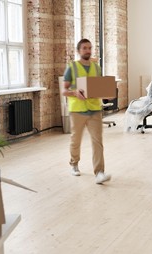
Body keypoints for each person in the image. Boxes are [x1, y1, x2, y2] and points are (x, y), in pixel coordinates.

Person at [62, 38, 111, 184]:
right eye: (84, 48)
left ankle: (99, 172)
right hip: (77, 110)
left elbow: (100, 87)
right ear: (79, 51)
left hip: (95, 109)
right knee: (76, 140)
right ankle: (74, 164)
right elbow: (64, 90)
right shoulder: (72, 67)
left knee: (98, 142)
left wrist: (107, 94)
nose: (88, 50)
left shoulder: (97, 67)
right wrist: (75, 92)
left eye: (89, 48)